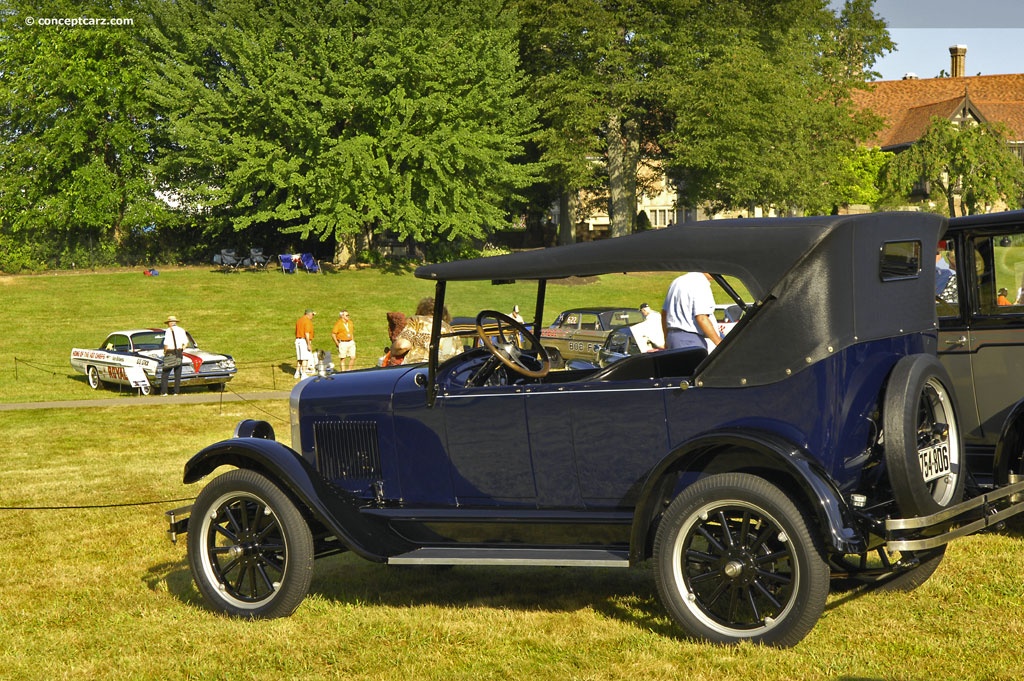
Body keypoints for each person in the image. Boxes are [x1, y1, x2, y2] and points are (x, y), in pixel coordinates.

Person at [391, 297, 462, 364]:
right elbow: (456, 358)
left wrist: (391, 351)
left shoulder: (416, 321)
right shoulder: (450, 330)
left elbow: (402, 346)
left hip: (416, 370)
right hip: (441, 373)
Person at [661, 272, 721, 351]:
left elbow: (664, 313)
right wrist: (720, 344)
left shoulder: (677, 281)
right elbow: (701, 318)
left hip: (672, 337)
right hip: (691, 341)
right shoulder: (700, 283)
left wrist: (666, 339)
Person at [160, 314, 189, 395]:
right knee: (177, 373)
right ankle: (176, 391)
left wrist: (165, 352)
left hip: (170, 352)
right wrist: (181, 349)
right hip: (179, 352)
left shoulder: (169, 331)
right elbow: (186, 343)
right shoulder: (181, 330)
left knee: (165, 373)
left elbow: (166, 344)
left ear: (169, 323)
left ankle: (164, 391)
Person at [294, 309, 316, 378]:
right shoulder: (307, 321)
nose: (313, 316)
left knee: (300, 358)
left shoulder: (299, 320)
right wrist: (308, 344)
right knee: (305, 358)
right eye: (312, 315)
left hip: (298, 340)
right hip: (304, 341)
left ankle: (297, 373)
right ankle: (303, 373)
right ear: (308, 314)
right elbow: (307, 333)